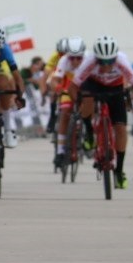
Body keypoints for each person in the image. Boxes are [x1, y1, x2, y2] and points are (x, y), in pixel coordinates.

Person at [71, 34, 133, 189]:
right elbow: (73, 87)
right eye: (102, 61)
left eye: (109, 62)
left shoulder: (121, 60)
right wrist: (79, 104)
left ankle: (119, 171)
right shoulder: (89, 61)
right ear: (96, 58)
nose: (106, 66)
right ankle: (89, 132)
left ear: (115, 57)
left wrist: (132, 99)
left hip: (115, 86)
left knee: (120, 128)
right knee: (86, 100)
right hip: (93, 83)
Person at [49, 36, 87, 168]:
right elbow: (54, 80)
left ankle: (88, 136)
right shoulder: (63, 60)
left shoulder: (88, 60)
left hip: (84, 90)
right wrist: (58, 89)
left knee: (89, 110)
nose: (75, 61)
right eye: (72, 58)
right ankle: (60, 152)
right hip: (68, 90)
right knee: (65, 113)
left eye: (79, 58)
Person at [0, 24, 23, 148]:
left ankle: (8, 129)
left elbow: (18, 77)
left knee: (3, 82)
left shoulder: (5, 50)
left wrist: (19, 96)